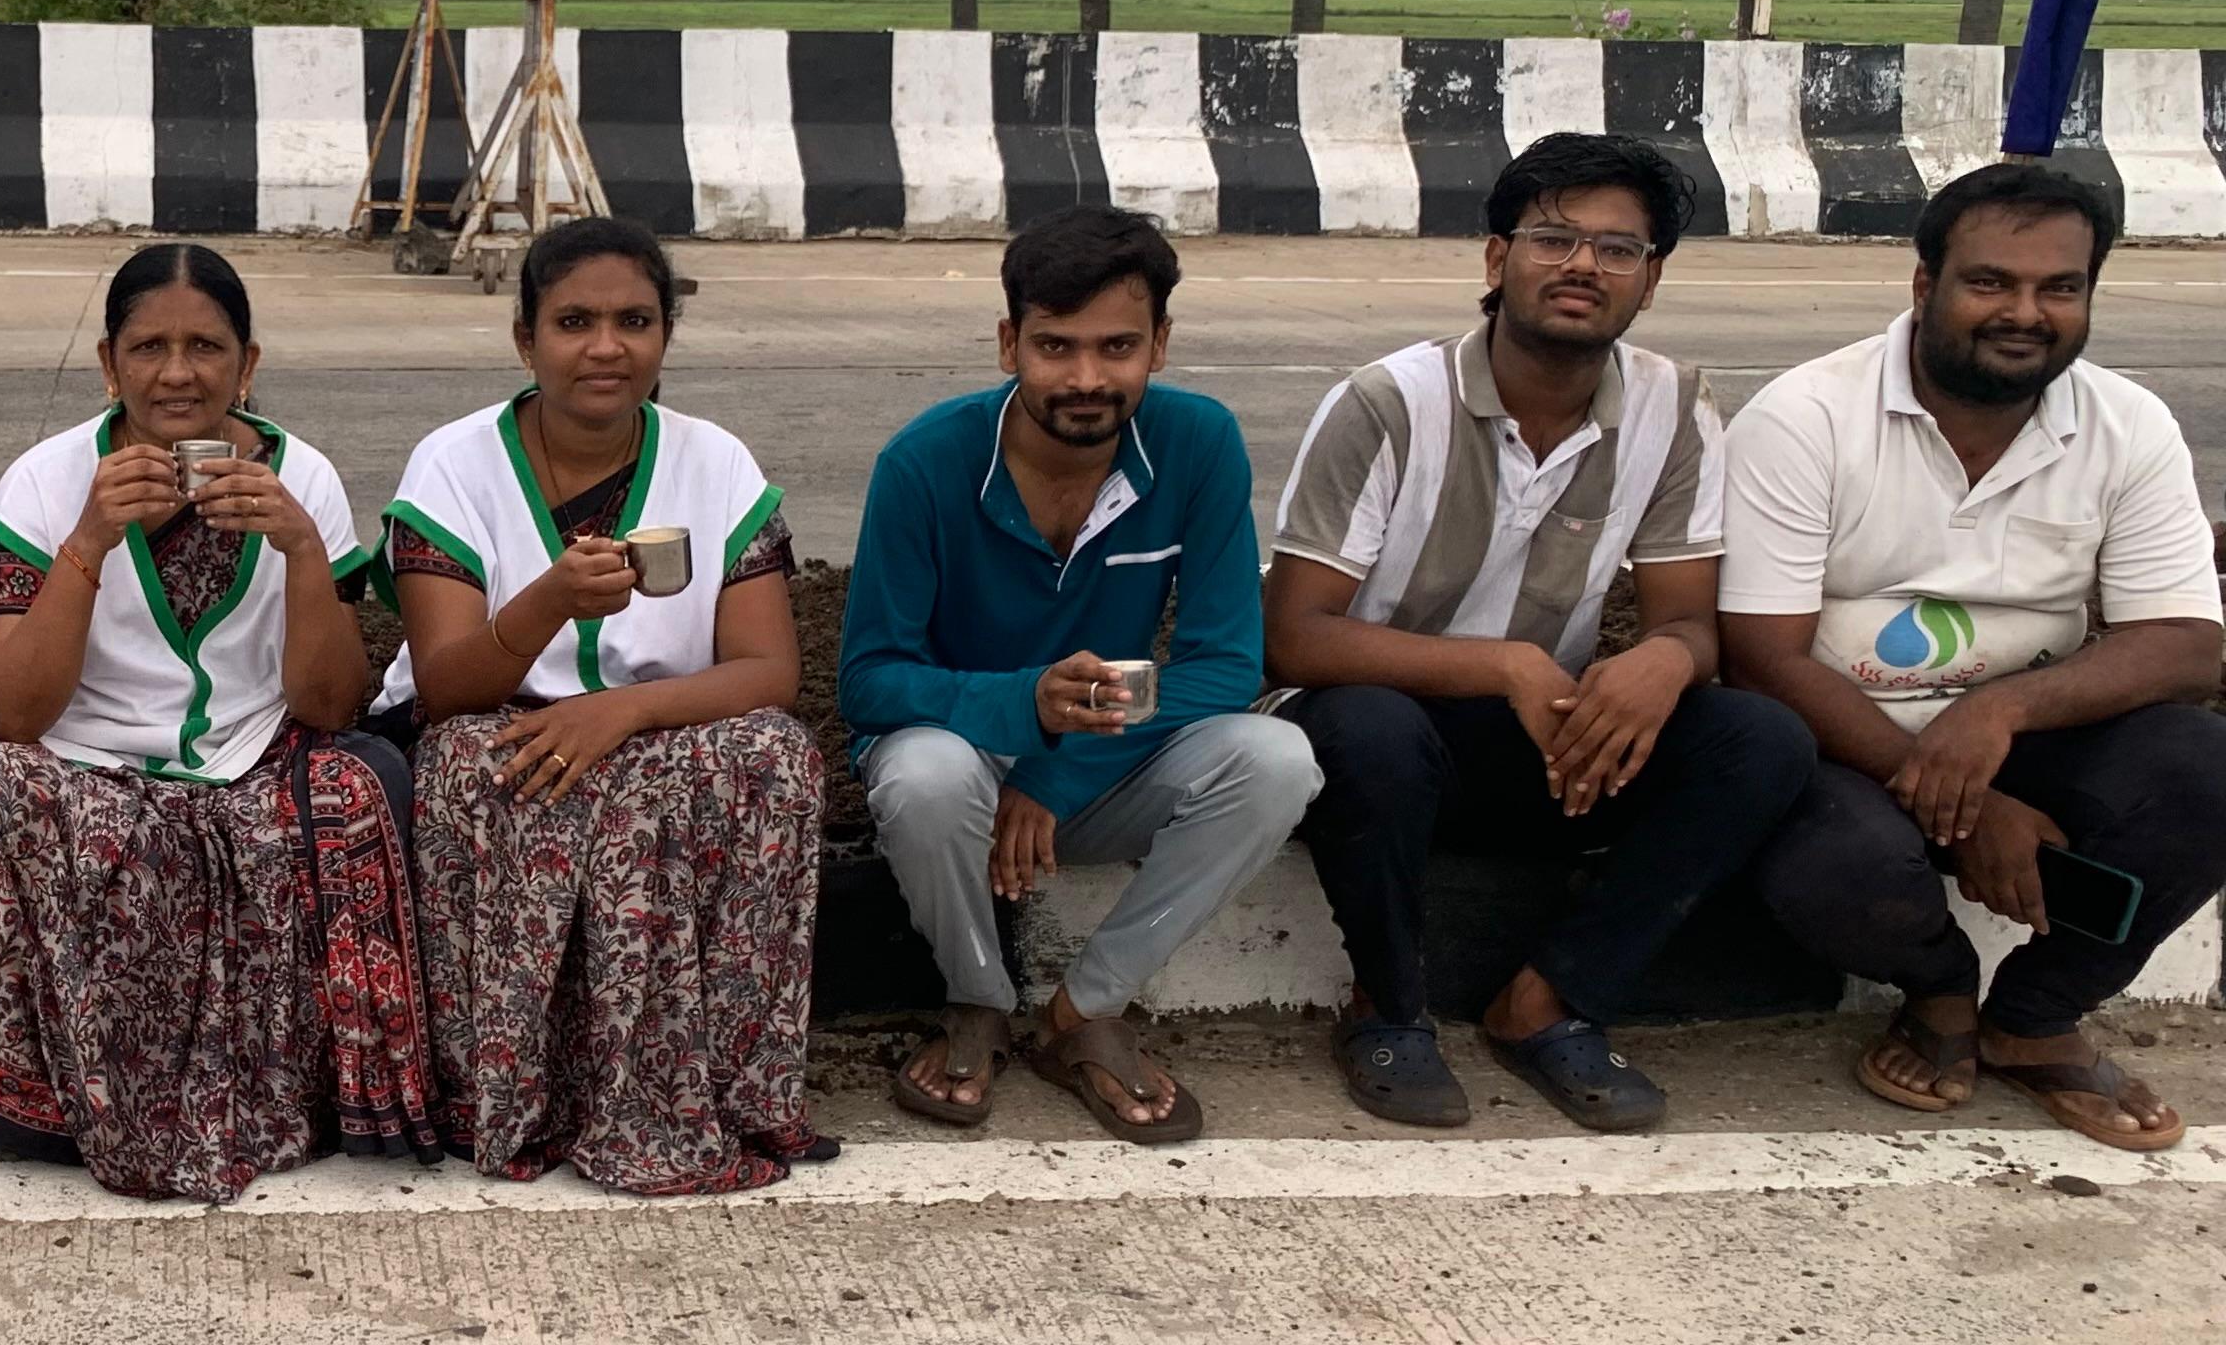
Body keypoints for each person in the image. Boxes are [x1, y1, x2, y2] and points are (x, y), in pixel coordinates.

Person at [1267, 134, 1814, 1132]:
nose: (1582, 266)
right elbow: (1296, 639)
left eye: (1618, 250)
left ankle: (1549, 1003)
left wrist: (1665, 658)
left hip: (1539, 743)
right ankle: (1386, 1010)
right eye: (1554, 239)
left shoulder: (1675, 405)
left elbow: (1688, 621)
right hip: (1370, 746)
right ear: (1497, 259)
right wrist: (1507, 664)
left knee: (1759, 739)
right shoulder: (1389, 404)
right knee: (1369, 728)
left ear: (1650, 281)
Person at [1723, 162, 2226, 1154]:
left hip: (2025, 735)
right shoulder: (1805, 416)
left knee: (2204, 773)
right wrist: (1960, 799)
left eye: (2060, 288)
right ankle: (1941, 991)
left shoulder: (2128, 425)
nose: (2025, 314)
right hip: (1842, 742)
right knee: (1841, 863)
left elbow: (2186, 646)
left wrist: (1998, 714)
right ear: (1926, 285)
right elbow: (1762, 657)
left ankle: (2035, 1018)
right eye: (1991, 281)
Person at [0, 242, 435, 1201]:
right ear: (109, 364)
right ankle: (54, 1097)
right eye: (149, 347)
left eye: (206, 347)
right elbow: (11, 710)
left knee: (354, 787)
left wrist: (301, 550)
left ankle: (293, 1095)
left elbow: (330, 704)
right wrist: (90, 539)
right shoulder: (49, 479)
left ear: (248, 364)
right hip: (86, 762)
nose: (178, 373)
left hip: (255, 757)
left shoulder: (303, 476)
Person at [841, 207, 1319, 1145]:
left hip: (1093, 770)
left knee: (1276, 759)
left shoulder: (1198, 442)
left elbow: (1227, 664)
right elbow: (869, 681)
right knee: (924, 773)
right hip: (963, 769)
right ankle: (978, 999)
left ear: (1160, 346)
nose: (1088, 378)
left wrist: (1054, 770)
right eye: (1056, 346)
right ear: (1009, 343)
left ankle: (1085, 1010)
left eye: (1118, 347)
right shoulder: (925, 461)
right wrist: (1024, 706)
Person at [378, 214, 829, 1195]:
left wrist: (622, 713)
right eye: (574, 322)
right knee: (468, 765)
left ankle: (726, 1092)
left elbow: (767, 671)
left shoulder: (714, 462)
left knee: (777, 758)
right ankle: (515, 1096)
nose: (606, 348)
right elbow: (446, 688)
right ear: (525, 338)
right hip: (505, 724)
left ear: (665, 335)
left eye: (634, 321)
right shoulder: (455, 464)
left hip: (661, 725)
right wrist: (547, 601)